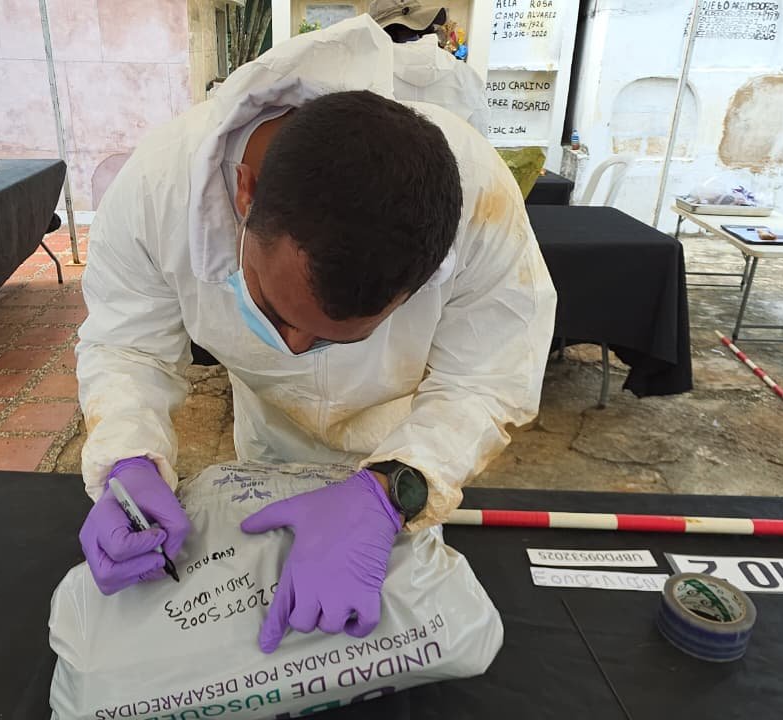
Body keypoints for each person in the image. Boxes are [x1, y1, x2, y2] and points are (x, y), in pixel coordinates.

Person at [76, 16, 555, 654]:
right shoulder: (157, 188)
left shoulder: (477, 204)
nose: (295, 351)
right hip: (267, 442)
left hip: (404, 440)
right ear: (244, 193)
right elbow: (126, 346)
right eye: (276, 311)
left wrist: (398, 489)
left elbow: (489, 377)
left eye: (342, 337)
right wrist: (127, 453)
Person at [368, 0, 490, 134]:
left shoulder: (368, 74)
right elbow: (479, 131)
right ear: (424, 23)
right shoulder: (464, 75)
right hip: (451, 147)